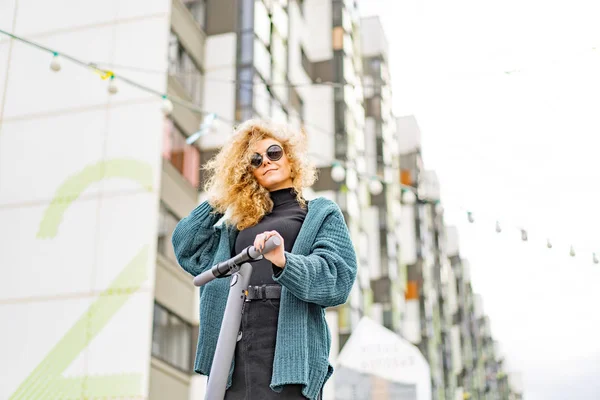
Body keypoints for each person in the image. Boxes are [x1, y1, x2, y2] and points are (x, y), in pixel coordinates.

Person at [172, 119, 357, 400]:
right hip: (233, 350)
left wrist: (284, 261)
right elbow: (186, 245)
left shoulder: (319, 213)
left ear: (292, 159)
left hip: (288, 352)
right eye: (255, 160)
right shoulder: (237, 224)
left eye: (273, 153)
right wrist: (225, 194)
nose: (266, 162)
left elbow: (337, 279)